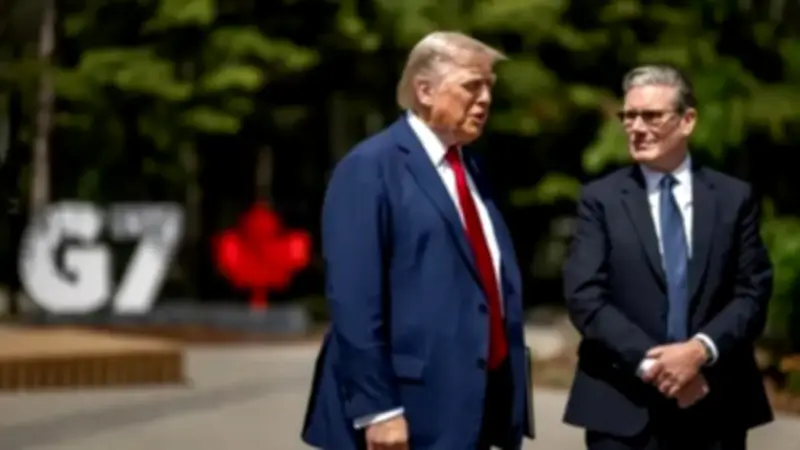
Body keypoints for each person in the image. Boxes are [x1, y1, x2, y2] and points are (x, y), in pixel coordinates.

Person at [301, 31, 533, 450]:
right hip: (405, 414)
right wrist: (379, 410)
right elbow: (355, 299)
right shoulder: (370, 167)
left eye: (489, 87)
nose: (485, 99)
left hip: (473, 409)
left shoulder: (473, 169)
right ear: (424, 91)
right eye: (471, 86)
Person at [561, 64, 773, 449]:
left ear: (687, 121)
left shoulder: (733, 198)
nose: (636, 127)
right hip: (622, 406)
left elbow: (752, 292)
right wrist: (657, 365)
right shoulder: (601, 199)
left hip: (715, 405)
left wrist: (699, 351)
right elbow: (585, 296)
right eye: (629, 116)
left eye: (652, 116)